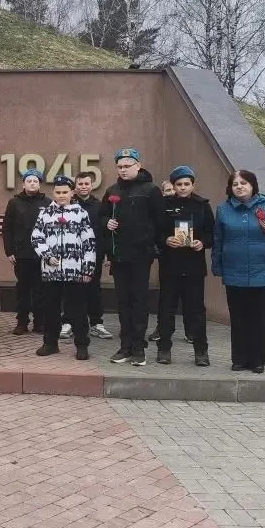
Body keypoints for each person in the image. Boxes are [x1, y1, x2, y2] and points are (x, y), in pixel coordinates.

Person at [212, 169, 265, 373]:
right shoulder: (223, 210)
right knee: (238, 318)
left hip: (260, 273)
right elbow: (218, 240)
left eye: (244, 183)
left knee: (258, 319)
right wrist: (217, 265)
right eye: (235, 184)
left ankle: (257, 360)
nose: (240, 187)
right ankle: (239, 359)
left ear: (253, 185)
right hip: (233, 273)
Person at [101, 147, 164, 367]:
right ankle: (125, 346)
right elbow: (102, 216)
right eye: (119, 166)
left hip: (141, 256)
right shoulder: (112, 190)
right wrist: (106, 222)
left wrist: (152, 246)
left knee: (139, 302)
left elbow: (160, 222)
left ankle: (139, 348)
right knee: (123, 302)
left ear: (138, 165)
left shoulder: (151, 190)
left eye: (127, 166)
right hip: (119, 256)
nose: (123, 170)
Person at [31, 175, 97, 360]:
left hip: (74, 270)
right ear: (53, 193)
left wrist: (88, 268)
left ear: (72, 193)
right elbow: (36, 237)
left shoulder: (80, 213)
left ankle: (82, 345)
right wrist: (47, 255)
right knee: (50, 309)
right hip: (51, 271)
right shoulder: (45, 214)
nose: (61, 195)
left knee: (78, 309)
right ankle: (50, 343)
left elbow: (89, 242)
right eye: (58, 192)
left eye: (65, 192)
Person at [156, 165, 214, 366]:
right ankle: (164, 348)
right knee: (166, 308)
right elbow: (155, 231)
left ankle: (201, 351)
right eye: (179, 184)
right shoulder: (164, 205)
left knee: (196, 310)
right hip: (170, 265)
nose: (182, 187)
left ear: (193, 185)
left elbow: (211, 233)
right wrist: (165, 240)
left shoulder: (202, 205)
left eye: (186, 184)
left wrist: (202, 242)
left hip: (194, 267)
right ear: (173, 186)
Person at [2, 168, 51, 335]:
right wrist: (9, 251)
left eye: (35, 181)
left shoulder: (47, 203)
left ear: (40, 184)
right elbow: (7, 228)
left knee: (40, 290)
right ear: (23, 184)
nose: (32, 183)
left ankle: (39, 323)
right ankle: (22, 323)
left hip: (41, 255)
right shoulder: (14, 203)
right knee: (23, 290)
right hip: (21, 255)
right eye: (29, 181)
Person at [72, 172, 113, 340]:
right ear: (75, 186)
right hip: (72, 256)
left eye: (86, 184)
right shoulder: (69, 204)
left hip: (94, 255)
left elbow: (105, 232)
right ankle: (68, 322)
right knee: (72, 290)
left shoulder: (99, 206)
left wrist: (107, 254)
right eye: (80, 184)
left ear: (91, 185)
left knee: (94, 290)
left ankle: (96, 323)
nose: (83, 187)